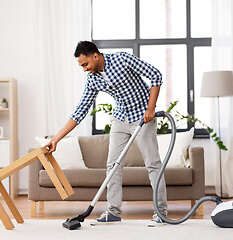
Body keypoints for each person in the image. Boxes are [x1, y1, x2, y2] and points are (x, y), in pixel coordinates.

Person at [46, 41, 167, 227]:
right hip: (120, 119)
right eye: (81, 66)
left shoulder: (122, 59)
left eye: (85, 64)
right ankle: (113, 212)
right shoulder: (93, 79)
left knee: (153, 164)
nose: (85, 69)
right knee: (113, 165)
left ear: (95, 56)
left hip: (143, 117)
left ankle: (161, 213)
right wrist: (56, 139)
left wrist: (151, 108)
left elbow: (155, 75)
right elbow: (80, 111)